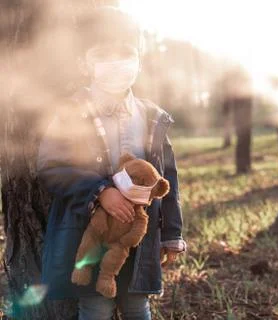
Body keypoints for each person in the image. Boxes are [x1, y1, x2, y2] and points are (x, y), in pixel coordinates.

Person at [36, 6, 186, 320]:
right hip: (86, 230)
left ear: (139, 59)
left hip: (138, 236)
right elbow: (50, 167)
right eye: (103, 55)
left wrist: (171, 234)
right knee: (95, 304)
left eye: (126, 53)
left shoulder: (152, 117)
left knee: (136, 303)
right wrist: (99, 191)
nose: (116, 63)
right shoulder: (70, 112)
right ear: (84, 63)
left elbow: (168, 179)